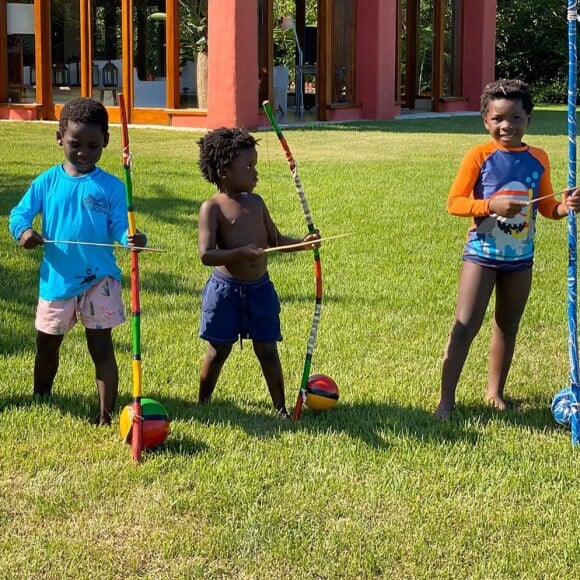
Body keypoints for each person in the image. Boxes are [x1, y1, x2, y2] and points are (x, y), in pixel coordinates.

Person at [435, 79, 580, 420]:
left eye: (515, 117)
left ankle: (495, 392)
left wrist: (566, 205)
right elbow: (454, 203)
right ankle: (446, 401)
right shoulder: (479, 156)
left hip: (520, 259)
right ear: (485, 120)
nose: (507, 126)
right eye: (498, 118)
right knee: (465, 324)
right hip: (482, 255)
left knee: (508, 324)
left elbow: (547, 210)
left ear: (529, 119)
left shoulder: (538, 158)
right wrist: (491, 206)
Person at [9, 97, 146, 425]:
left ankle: (106, 415)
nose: (84, 152)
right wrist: (24, 231)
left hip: (101, 279)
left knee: (101, 347)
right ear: (59, 139)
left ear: (106, 143)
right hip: (57, 279)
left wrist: (133, 238)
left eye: (93, 145)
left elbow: (119, 226)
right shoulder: (46, 182)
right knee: (47, 344)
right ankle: (41, 396)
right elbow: (19, 213)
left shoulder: (111, 187)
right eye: (75, 144)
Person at [196, 127, 320, 418]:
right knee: (218, 351)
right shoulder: (212, 208)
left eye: (256, 166)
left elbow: (275, 241)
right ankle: (202, 403)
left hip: (260, 290)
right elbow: (206, 254)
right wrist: (239, 253)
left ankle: (280, 408)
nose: (255, 173)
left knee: (267, 349)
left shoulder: (257, 202)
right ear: (224, 171)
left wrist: (303, 244)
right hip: (225, 293)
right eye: (248, 167)